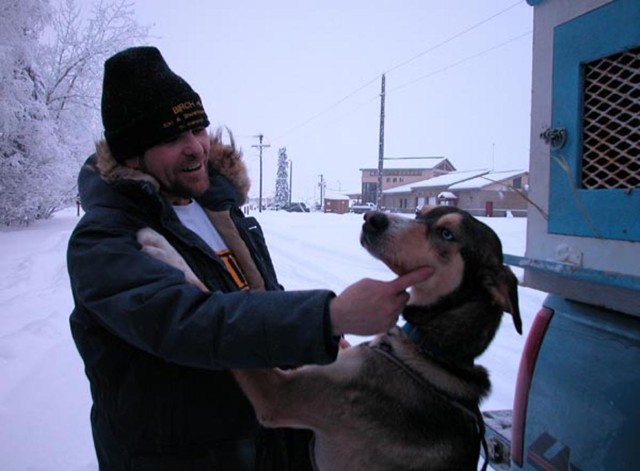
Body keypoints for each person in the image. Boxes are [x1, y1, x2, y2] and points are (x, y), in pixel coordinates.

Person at [67, 46, 431, 470]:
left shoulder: (219, 210)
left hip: (262, 445)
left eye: (197, 129)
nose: (196, 148)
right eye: (171, 138)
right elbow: (190, 323)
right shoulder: (105, 239)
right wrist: (327, 315)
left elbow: (256, 298)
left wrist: (314, 345)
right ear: (131, 154)